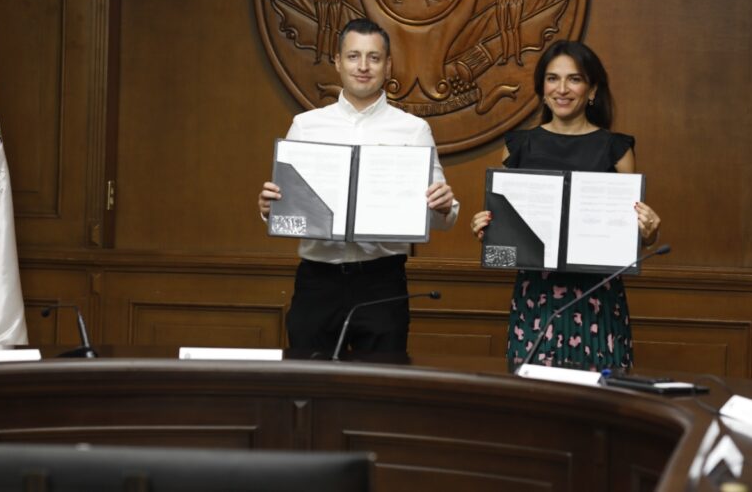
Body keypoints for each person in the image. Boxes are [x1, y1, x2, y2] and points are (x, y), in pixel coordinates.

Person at [259, 18, 458, 357]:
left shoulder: (413, 130)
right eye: (353, 56)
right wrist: (270, 208)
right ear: (338, 62)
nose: (363, 66)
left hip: (382, 281)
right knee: (310, 381)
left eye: (373, 57)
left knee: (382, 383)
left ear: (388, 65)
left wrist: (443, 206)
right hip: (317, 281)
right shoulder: (306, 126)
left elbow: (444, 218)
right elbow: (286, 207)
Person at [470, 41, 661, 370]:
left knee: (601, 394)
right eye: (552, 78)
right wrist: (486, 230)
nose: (562, 89)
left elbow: (632, 238)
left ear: (592, 90)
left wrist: (649, 233)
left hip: (597, 297)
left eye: (574, 79)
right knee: (534, 394)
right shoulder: (518, 146)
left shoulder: (616, 150)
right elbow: (503, 247)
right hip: (536, 297)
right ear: (542, 88)